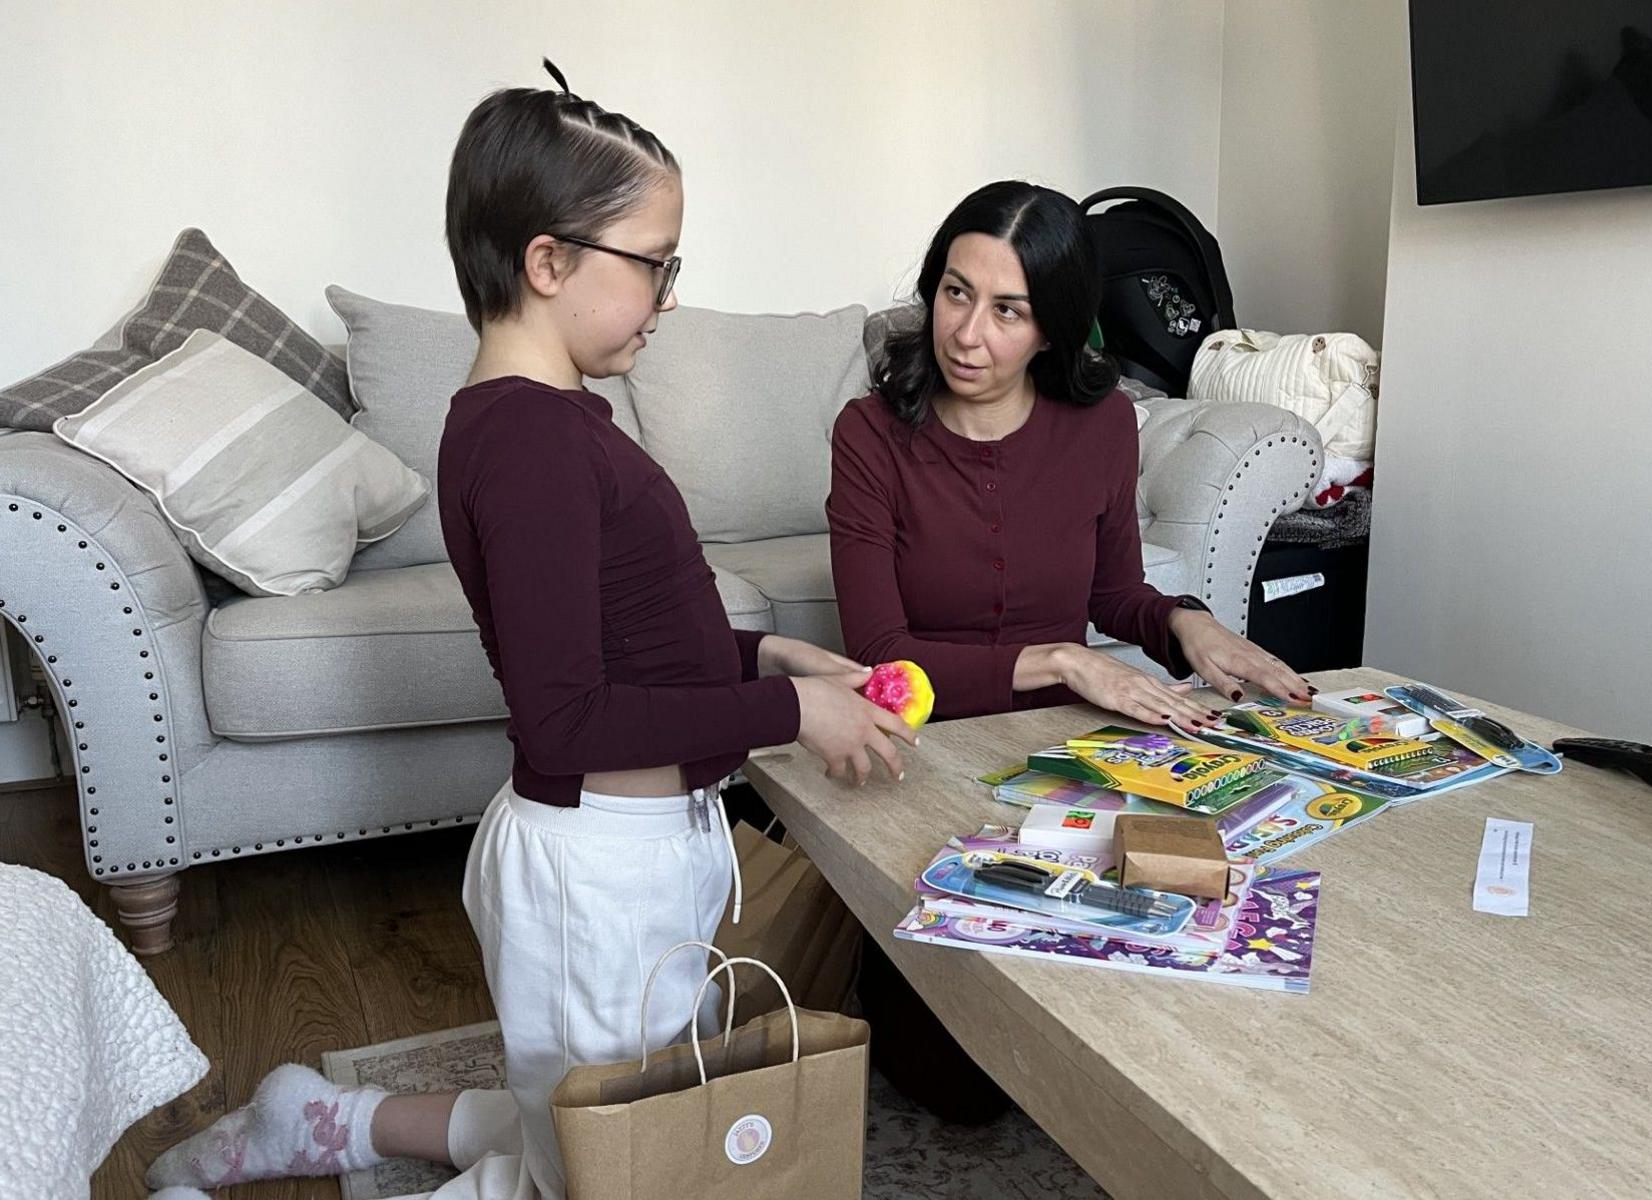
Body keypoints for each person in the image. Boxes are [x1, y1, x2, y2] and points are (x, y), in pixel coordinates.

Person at [148, 62, 913, 1200]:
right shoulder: (530, 445)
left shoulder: (551, 422)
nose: (667, 297)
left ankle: (321, 1119)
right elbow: (564, 717)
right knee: (602, 1172)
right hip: (598, 874)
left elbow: (623, 637)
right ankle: (327, 1128)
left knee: (616, 1118)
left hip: (634, 858)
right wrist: (790, 711)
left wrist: (768, 658)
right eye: (654, 265)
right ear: (547, 261)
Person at [828, 180, 1310, 1124]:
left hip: (1062, 759)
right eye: (955, 293)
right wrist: (1059, 661)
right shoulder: (871, 436)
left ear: (1053, 327)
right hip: (926, 756)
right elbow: (881, 655)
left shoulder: (1100, 427)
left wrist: (1184, 624)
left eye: (1009, 310)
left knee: (1185, 976)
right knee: (964, 1088)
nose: (968, 333)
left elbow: (1112, 596)